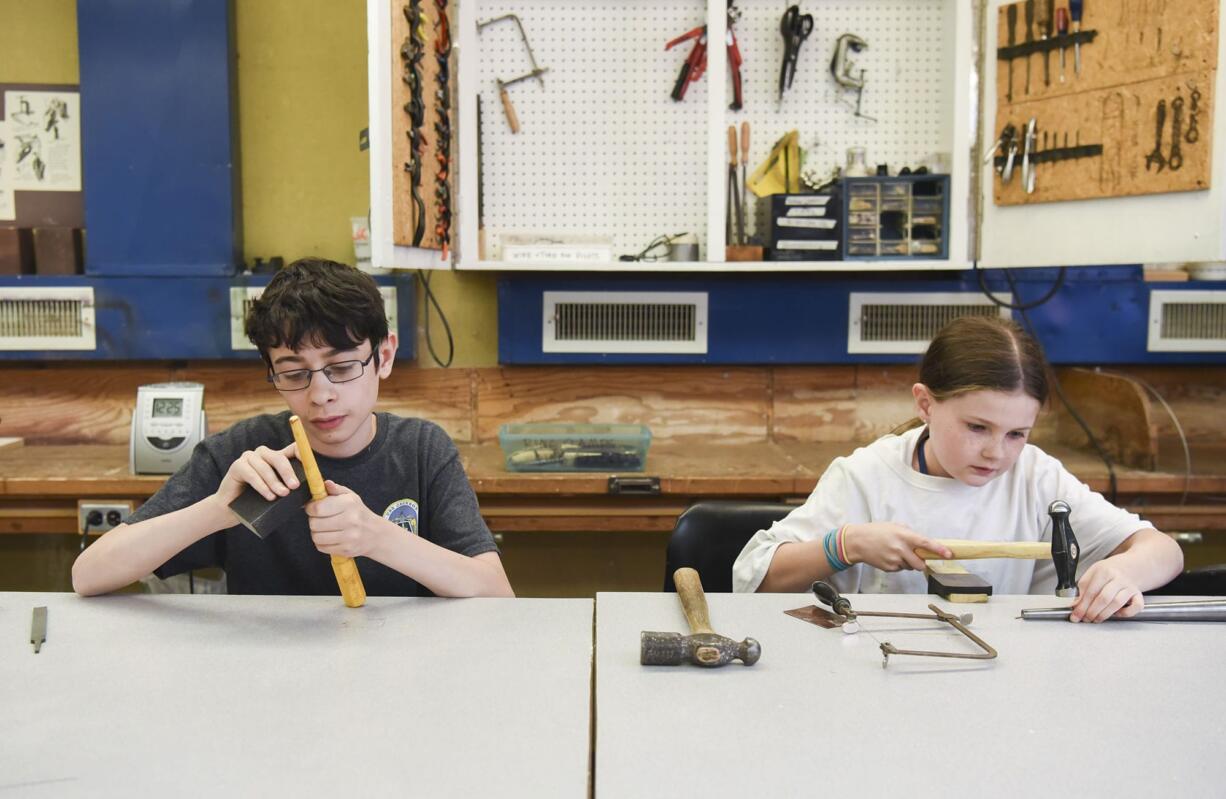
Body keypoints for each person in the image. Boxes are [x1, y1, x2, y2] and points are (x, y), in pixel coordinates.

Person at [73, 258, 513, 598]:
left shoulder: (422, 450)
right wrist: (218, 510)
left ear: (384, 356)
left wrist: (378, 537)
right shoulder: (240, 455)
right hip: (266, 679)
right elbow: (89, 575)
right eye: (293, 372)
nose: (320, 394)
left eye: (341, 367)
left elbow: (496, 592)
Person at [733, 315, 1182, 622]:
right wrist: (845, 545)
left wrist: (1127, 572)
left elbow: (1164, 550)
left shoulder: (1035, 476)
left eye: (1016, 433)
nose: (996, 453)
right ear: (925, 403)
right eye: (977, 427)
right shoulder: (866, 476)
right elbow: (753, 579)